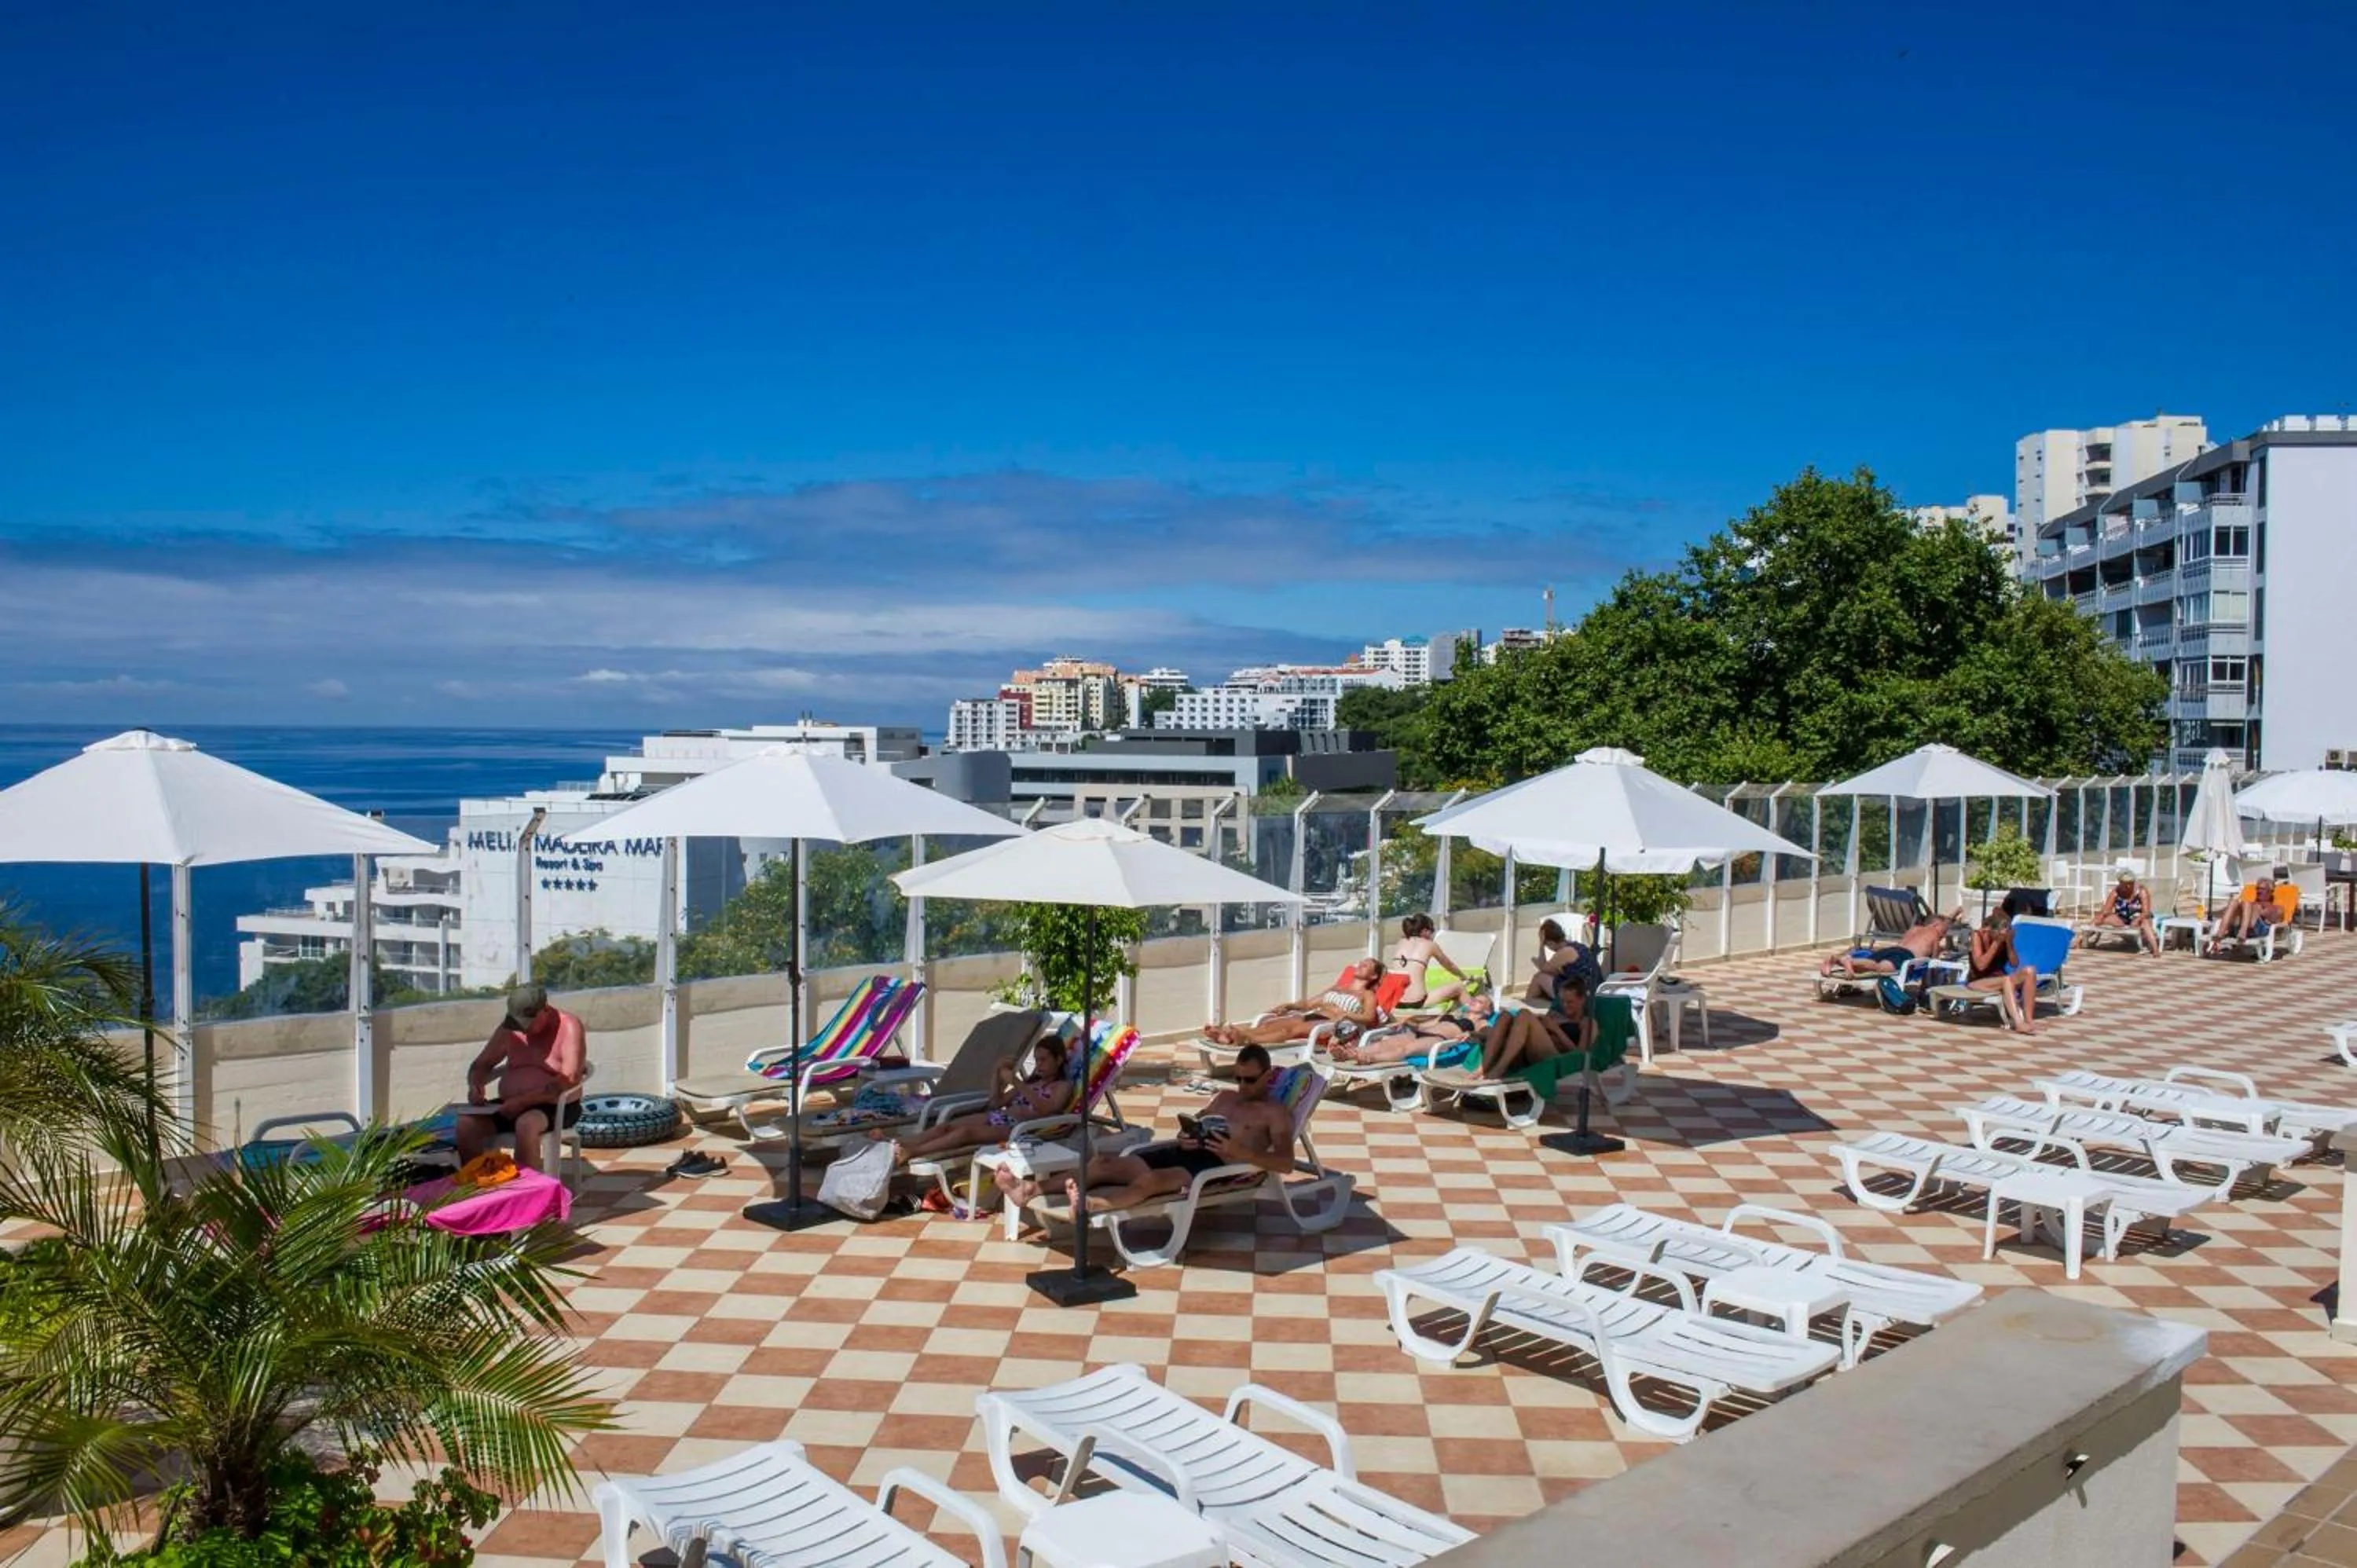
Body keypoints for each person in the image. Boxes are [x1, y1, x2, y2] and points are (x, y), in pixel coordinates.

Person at [1061, 1043, 1296, 1212]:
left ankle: (1091, 1206)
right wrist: (1185, 1135)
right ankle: (1033, 1188)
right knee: (1104, 1163)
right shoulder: (1225, 1098)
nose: (1242, 1087)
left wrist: (1244, 1153)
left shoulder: (1275, 1113)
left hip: (1213, 1167)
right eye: (1238, 1079)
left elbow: (1286, 1163)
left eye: (1250, 1080)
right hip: (1185, 1152)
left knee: (1151, 1181)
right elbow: (1196, 1122)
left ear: (1268, 1076)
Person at [456, 982, 587, 1173]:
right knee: (466, 1124)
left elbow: (569, 1079)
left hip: (556, 1105)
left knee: (526, 1124)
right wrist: (475, 1085)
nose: (523, 1030)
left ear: (545, 1010)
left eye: (528, 1024)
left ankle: (527, 1191)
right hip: (511, 1104)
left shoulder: (569, 1026)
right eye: (518, 1024)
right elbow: (481, 1064)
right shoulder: (509, 1030)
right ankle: (478, 1187)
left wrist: (524, 1101)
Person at [885, 1035, 1070, 1167]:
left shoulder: (1062, 1086)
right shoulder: (1032, 1084)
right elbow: (996, 1102)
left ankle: (912, 1153)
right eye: (1037, 1060)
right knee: (945, 1127)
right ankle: (900, 1142)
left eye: (1044, 1060)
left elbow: (1046, 1109)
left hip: (1018, 1129)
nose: (1039, 1065)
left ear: (1059, 1059)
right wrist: (997, 1073)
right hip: (1000, 1117)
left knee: (964, 1133)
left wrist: (1015, 1081)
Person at [1202, 958, 1387, 1046]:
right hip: (1314, 1015)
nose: (1360, 965)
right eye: (1360, 963)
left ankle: (1244, 1040)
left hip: (1334, 1024)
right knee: (1269, 1023)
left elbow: (1369, 1018)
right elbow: (1310, 1003)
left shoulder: (1367, 995)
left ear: (1373, 975)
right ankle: (1229, 1034)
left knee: (1290, 1031)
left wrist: (1347, 1014)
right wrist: (1290, 1006)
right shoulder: (1338, 988)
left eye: (1366, 965)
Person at [1479, 972, 1596, 1079]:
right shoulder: (1555, 1015)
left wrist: (1556, 1030)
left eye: (1570, 1002)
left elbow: (1580, 1056)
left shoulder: (1587, 1022)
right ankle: (1484, 1068)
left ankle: (1500, 1068)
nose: (1565, 1005)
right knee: (1505, 1015)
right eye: (1562, 1001)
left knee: (1525, 1014)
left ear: (1582, 1000)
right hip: (1532, 1052)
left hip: (1557, 1059)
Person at [1328, 995, 1497, 1065]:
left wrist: (1470, 1033)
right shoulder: (1456, 1014)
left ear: (1488, 1011)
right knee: (1385, 1043)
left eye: (1480, 1002)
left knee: (1405, 1050)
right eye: (1474, 998)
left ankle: (1369, 1058)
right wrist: (1409, 1022)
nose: (1474, 1001)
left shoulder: (1480, 1022)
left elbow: (1487, 1033)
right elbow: (1427, 1025)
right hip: (1423, 1032)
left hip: (1439, 1040)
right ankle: (1350, 1053)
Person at [1820, 909, 1959, 979]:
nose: (1944, 934)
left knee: (1868, 963)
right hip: (1905, 955)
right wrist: (1939, 952)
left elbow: (1905, 942)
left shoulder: (1915, 929)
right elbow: (1933, 961)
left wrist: (1956, 912)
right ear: (1935, 925)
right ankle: (1849, 962)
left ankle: (1837, 959)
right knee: (1879, 968)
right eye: (1943, 931)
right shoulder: (1934, 934)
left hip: (1894, 949)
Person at [1963, 907, 2038, 1036]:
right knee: (2006, 980)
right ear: (1989, 930)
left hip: (1999, 979)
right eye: (1998, 934)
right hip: (1977, 981)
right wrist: (1996, 943)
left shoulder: (2004, 938)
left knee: (2030, 971)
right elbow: (1981, 966)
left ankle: (2029, 1019)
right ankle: (2018, 1023)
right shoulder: (1978, 936)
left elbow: (2014, 963)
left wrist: (2009, 943)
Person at [1389, 913, 1471, 1008]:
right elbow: (1450, 966)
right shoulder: (1430, 945)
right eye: (1431, 932)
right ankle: (1474, 1018)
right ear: (1424, 931)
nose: (1432, 936)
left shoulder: (1400, 942)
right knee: (1460, 987)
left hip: (1396, 1001)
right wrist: (1464, 977)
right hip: (1417, 1002)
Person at [2084, 868, 2160, 957]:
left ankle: (2155, 950)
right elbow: (2106, 910)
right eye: (2125, 884)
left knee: (2145, 922)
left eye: (2130, 883)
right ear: (2120, 883)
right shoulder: (2116, 892)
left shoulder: (2141, 891)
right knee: (2100, 918)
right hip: (2122, 918)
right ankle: (2081, 940)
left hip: (2139, 917)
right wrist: (2102, 917)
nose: (2128, 886)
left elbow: (2146, 912)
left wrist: (2138, 919)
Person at [2208, 874, 2285, 954]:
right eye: (2257, 889)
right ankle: (2221, 932)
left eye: (2262, 889)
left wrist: (2259, 907)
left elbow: (2273, 916)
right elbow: (2225, 912)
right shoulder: (2252, 904)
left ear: (2270, 891)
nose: (2258, 891)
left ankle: (2243, 931)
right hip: (2237, 929)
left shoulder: (2275, 907)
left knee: (2247, 903)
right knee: (2234, 902)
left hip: (2255, 931)